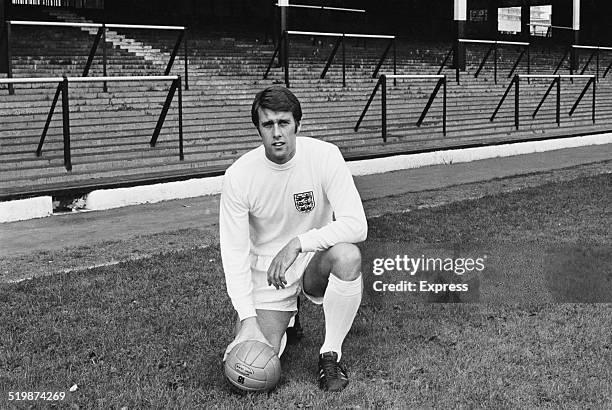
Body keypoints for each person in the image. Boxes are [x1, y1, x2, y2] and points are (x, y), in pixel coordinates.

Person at [219, 85, 367, 392]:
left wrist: (298, 243)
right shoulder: (239, 176)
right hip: (270, 274)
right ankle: (286, 318)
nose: (277, 133)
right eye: (267, 124)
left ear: (297, 124)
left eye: (284, 122)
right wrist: (247, 318)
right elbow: (234, 253)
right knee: (249, 365)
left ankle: (330, 354)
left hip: (314, 259)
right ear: (257, 129)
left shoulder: (325, 156)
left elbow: (357, 225)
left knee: (348, 255)